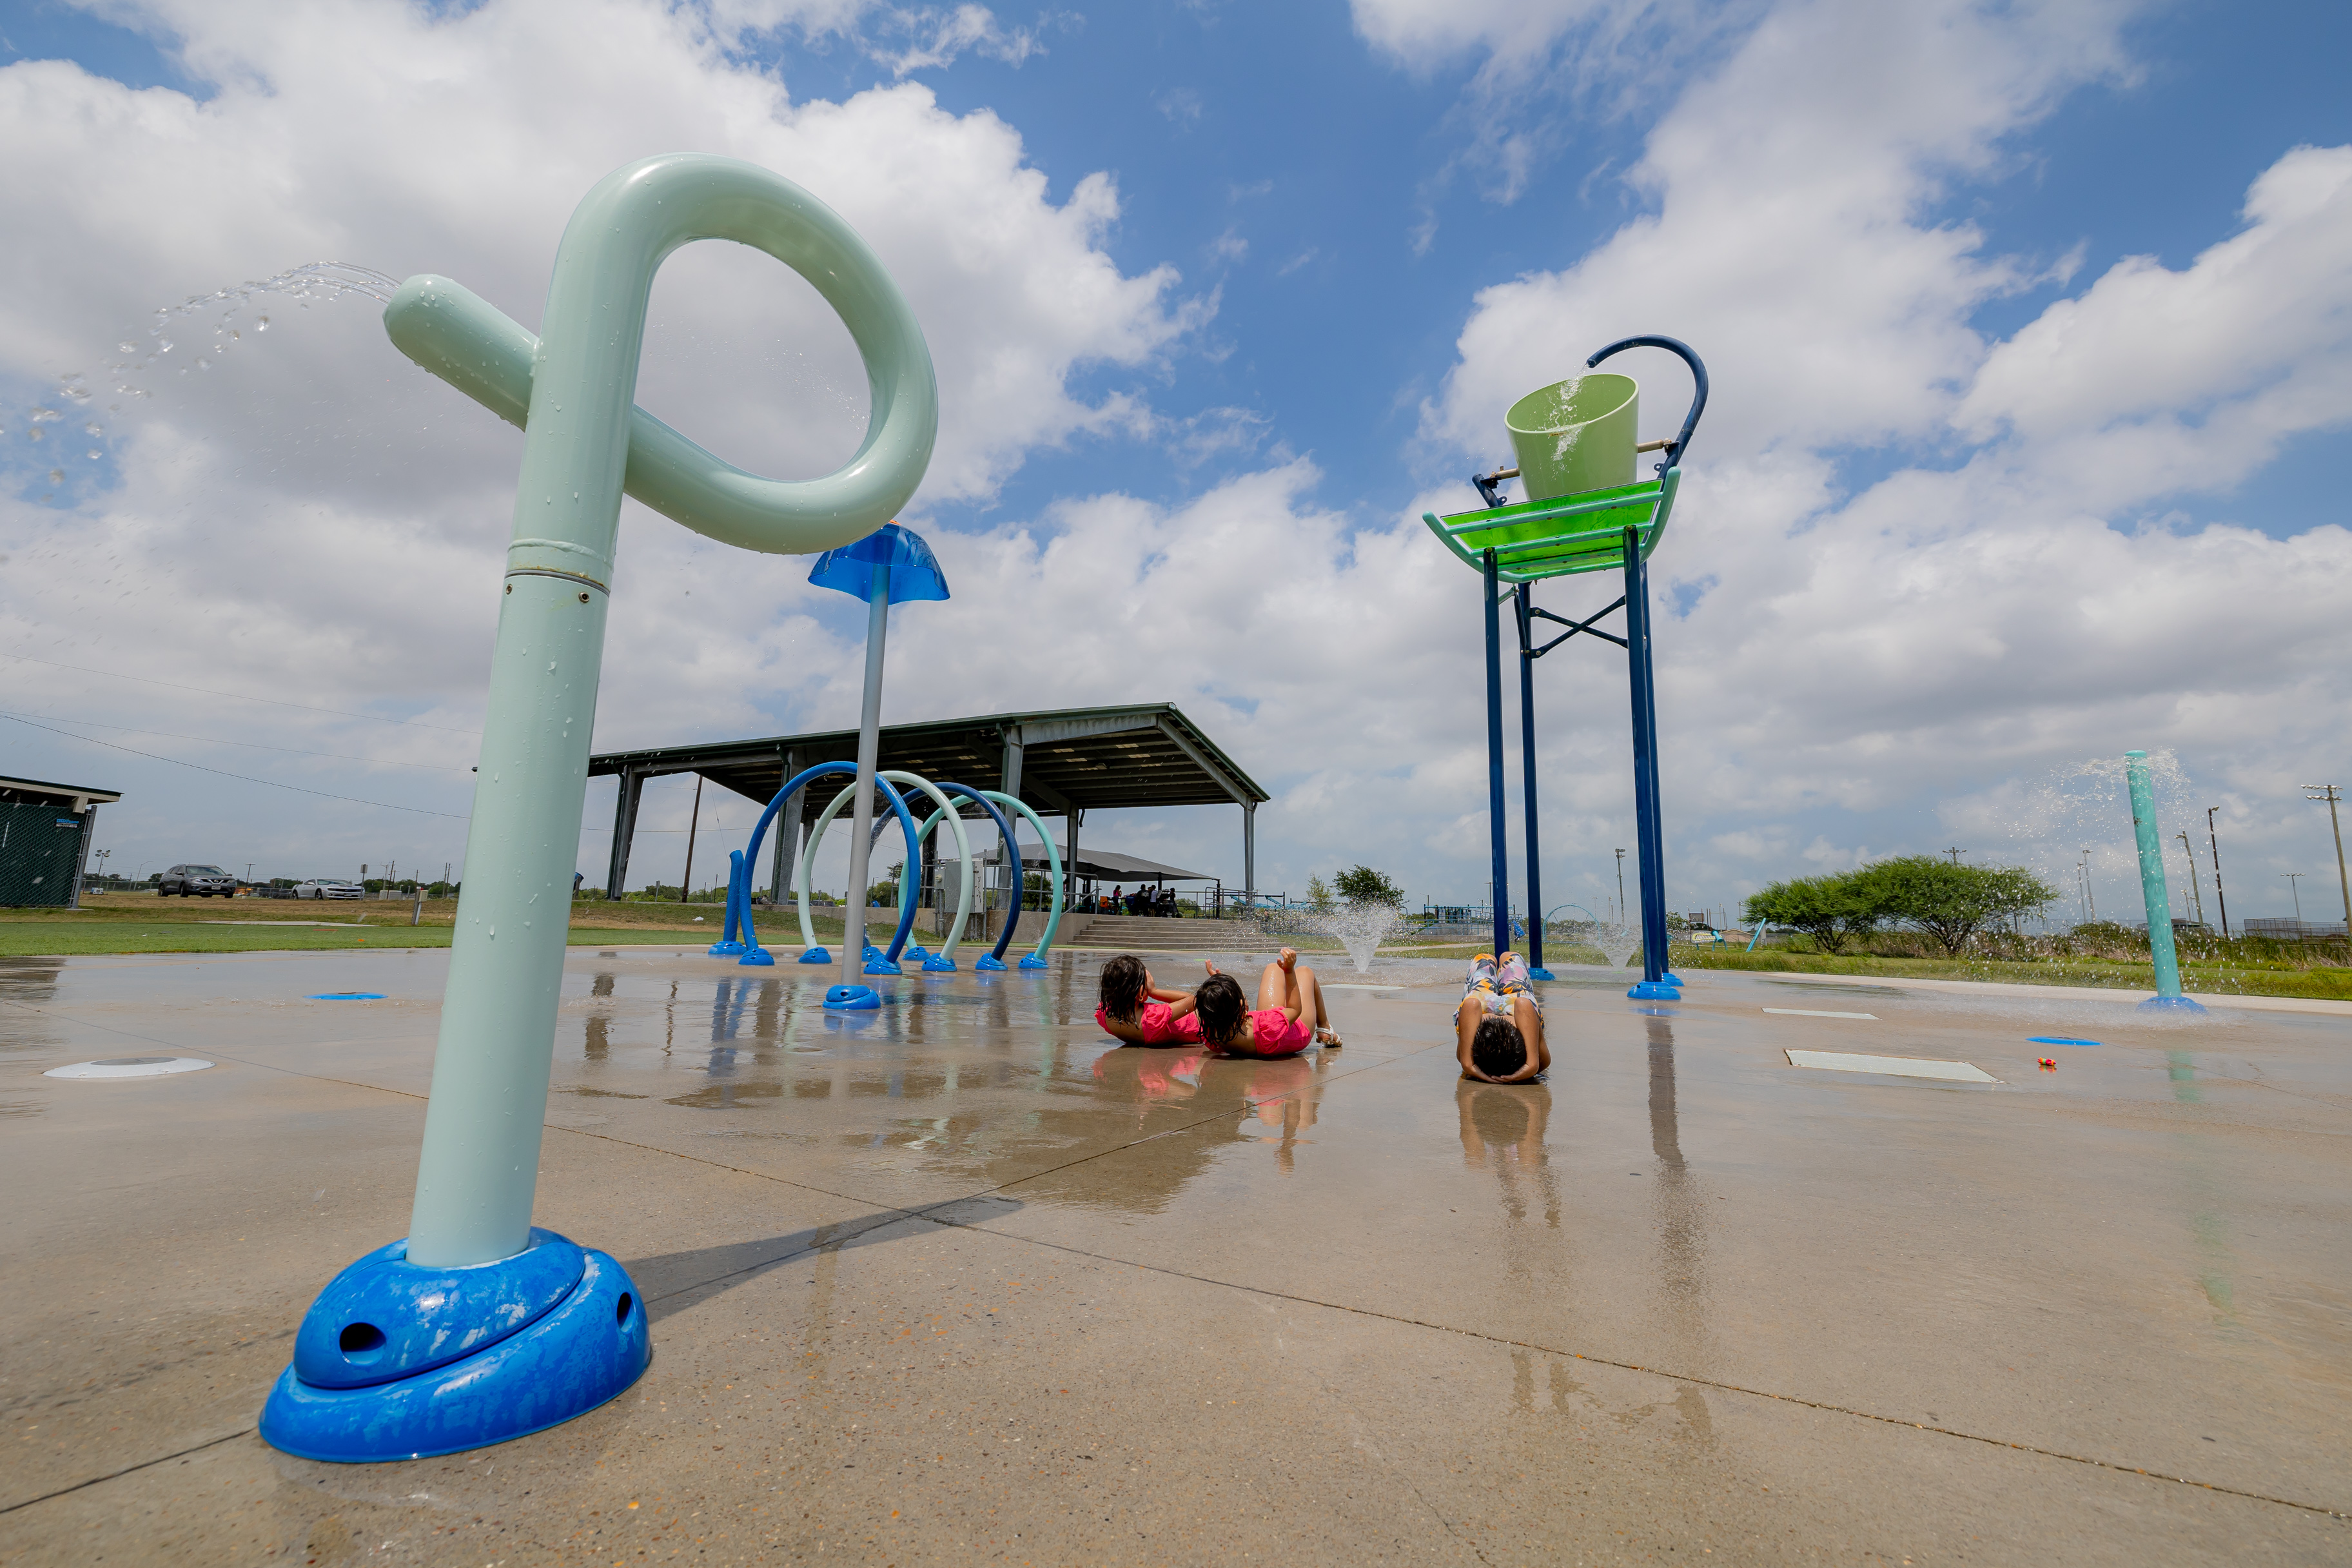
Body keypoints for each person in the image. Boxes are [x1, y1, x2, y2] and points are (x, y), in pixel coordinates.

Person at [1194, 948, 1342, 1059]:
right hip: (1297, 1030)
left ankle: (1323, 1027)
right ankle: (1324, 1027)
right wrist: (1289, 972)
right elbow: (1294, 1009)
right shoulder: (1269, 1027)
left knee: (1273, 967)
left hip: (1267, 1029)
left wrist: (1218, 987)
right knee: (1305, 972)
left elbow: (1219, 1007)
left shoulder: (1212, 1034)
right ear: (1241, 1009)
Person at [1456, 951, 1548, 1084]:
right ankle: (1503, 958)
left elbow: (1471, 1005)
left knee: (1484, 958)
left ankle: (1491, 959)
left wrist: (1468, 1065)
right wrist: (1532, 1065)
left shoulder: (1470, 1057)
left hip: (1483, 1005)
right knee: (1510, 956)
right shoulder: (1529, 1053)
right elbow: (1524, 1005)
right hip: (1515, 1006)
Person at [1094, 953, 1203, 1046]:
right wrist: (1155, 992)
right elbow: (1193, 1000)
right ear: (1140, 992)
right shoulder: (1152, 1018)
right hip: (1203, 1022)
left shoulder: (1104, 1014)